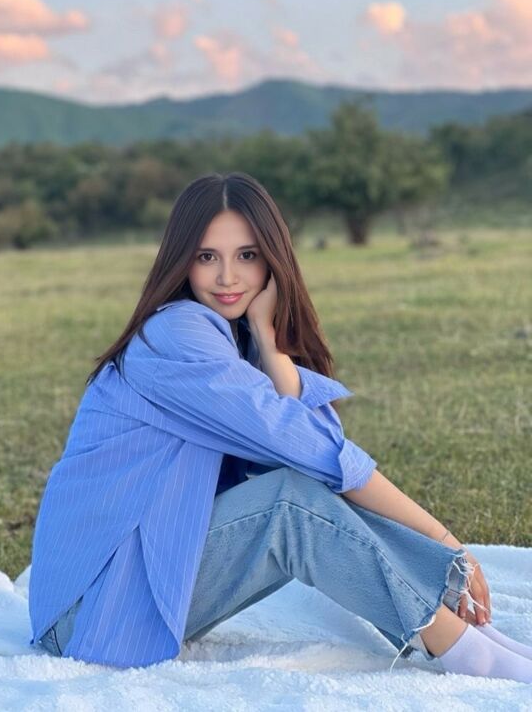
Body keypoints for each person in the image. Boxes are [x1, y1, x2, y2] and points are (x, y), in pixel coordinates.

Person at [28, 171, 532, 682]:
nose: (228, 277)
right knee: (289, 505)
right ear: (181, 259)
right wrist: (448, 541)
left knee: (300, 490)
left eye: (247, 255)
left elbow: (302, 441)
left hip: (137, 579)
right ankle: (468, 651)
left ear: (273, 258)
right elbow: (314, 450)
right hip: (92, 611)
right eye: (207, 257)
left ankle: (460, 631)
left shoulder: (233, 336)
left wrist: (268, 342)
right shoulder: (177, 333)